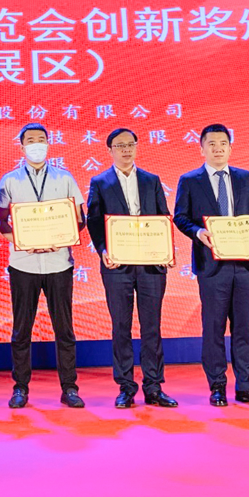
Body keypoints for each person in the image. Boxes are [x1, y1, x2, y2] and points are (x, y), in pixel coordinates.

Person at [173, 124, 249, 407]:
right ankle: (217, 386)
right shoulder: (189, 180)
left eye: (223, 144)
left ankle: (247, 386)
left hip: (245, 265)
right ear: (202, 149)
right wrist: (197, 232)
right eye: (211, 144)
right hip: (211, 265)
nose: (218, 149)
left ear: (230, 147)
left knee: (245, 327)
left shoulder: (244, 177)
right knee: (213, 327)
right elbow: (180, 217)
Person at [0, 123, 87, 409]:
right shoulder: (10, 180)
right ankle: (20, 388)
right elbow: (0, 220)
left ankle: (69, 388)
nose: (36, 144)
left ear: (48, 144)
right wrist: (21, 241)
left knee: (65, 329)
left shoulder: (65, 177)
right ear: (22, 146)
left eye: (41, 140)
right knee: (21, 330)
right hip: (23, 263)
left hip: (59, 262)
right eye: (30, 140)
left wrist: (60, 239)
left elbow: (80, 219)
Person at [86, 128, 177, 409]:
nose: (126, 149)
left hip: (151, 264)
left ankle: (154, 386)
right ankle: (126, 387)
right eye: (120, 145)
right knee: (121, 326)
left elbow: (163, 217)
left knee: (152, 327)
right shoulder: (100, 182)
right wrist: (104, 250)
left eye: (130, 144)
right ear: (110, 150)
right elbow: (94, 221)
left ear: (136, 147)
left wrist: (165, 251)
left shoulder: (151, 180)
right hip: (117, 265)